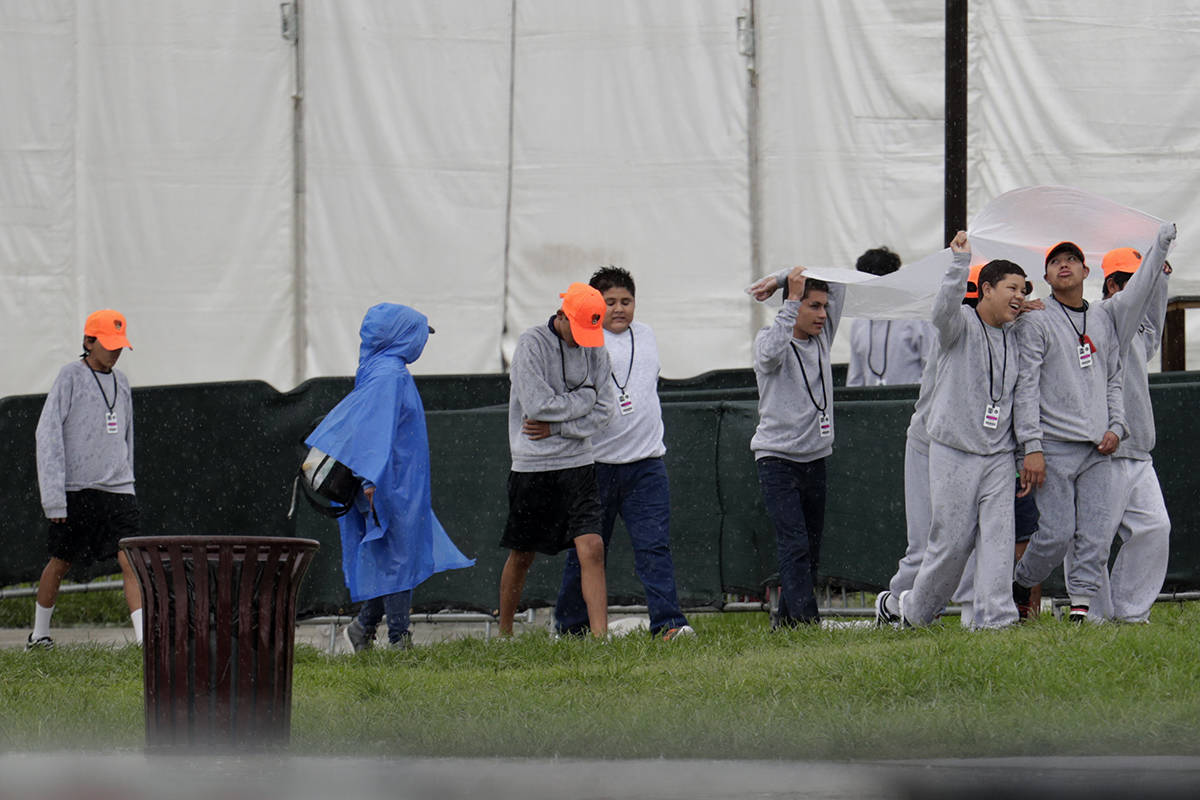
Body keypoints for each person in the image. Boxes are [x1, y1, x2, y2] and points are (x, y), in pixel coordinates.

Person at [306, 303, 475, 651]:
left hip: (397, 481)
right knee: (399, 556)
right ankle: (398, 638)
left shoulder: (377, 368)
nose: (422, 342)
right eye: (417, 334)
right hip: (388, 483)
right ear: (401, 337)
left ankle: (365, 626)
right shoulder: (390, 375)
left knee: (395, 555)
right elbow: (371, 433)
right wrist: (370, 482)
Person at [883, 234, 1026, 628]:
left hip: (997, 453)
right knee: (950, 545)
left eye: (1023, 289)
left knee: (999, 537)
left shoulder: (1016, 334)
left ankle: (997, 616)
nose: (1019, 295)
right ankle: (914, 612)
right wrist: (959, 263)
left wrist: (1022, 451)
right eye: (1011, 288)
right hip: (952, 449)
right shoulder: (958, 325)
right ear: (985, 290)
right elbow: (942, 310)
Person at [553, 267, 694, 642]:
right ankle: (569, 628)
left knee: (654, 547)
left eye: (626, 301)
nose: (619, 309)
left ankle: (669, 624)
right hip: (594, 468)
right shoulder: (584, 341)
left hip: (646, 466)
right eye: (610, 302)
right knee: (585, 553)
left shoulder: (646, 335)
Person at [1013, 240, 1128, 622]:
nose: (1064, 266)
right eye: (1055, 262)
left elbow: (1114, 378)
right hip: (1053, 446)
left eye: (1072, 260)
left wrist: (1117, 425)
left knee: (1096, 535)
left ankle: (1081, 608)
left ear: (1086, 272)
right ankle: (1021, 581)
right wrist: (1032, 446)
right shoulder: (1035, 319)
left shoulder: (1102, 319)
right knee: (1056, 534)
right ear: (1044, 276)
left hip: (1098, 447)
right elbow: (1025, 386)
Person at [1065, 227, 1175, 622]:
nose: (1139, 287)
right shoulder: (1099, 318)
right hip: (1100, 450)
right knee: (1090, 540)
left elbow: (1153, 309)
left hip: (1137, 451)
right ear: (1112, 284)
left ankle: (1129, 614)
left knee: (1154, 529)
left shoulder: (1141, 332)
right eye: (1132, 279)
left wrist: (1159, 274)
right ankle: (1092, 617)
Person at [499, 283, 616, 638]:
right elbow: (536, 406)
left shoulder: (596, 346)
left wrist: (559, 428)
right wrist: (585, 398)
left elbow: (605, 409)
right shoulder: (530, 344)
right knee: (522, 554)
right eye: (578, 330)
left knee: (592, 548)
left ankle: (600, 640)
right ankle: (504, 634)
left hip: (579, 463)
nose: (583, 340)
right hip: (532, 466)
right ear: (562, 314)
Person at [31, 310, 143, 649]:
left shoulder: (122, 382)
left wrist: (129, 482)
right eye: (108, 345)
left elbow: (127, 435)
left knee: (132, 560)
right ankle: (39, 635)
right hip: (76, 490)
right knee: (60, 561)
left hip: (119, 489)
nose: (115, 352)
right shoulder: (70, 377)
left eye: (119, 346)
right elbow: (47, 434)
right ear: (88, 342)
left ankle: (142, 643)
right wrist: (54, 497)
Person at [751, 267, 846, 627]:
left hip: (815, 458)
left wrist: (779, 278)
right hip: (777, 460)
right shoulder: (769, 338)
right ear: (794, 308)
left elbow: (834, 278)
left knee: (810, 549)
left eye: (825, 307)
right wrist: (788, 295)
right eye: (814, 307)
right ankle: (807, 623)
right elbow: (770, 355)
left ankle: (787, 622)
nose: (823, 314)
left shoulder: (822, 338)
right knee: (794, 544)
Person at [845, 247, 935, 386]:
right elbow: (855, 380)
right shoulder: (859, 322)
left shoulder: (917, 317)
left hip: (912, 404)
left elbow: (932, 370)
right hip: (872, 406)